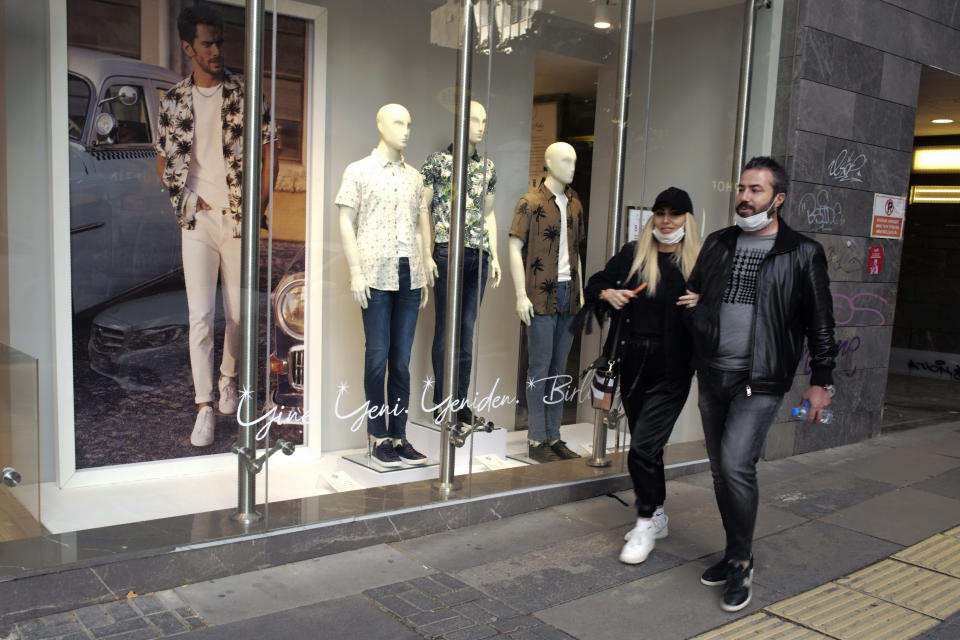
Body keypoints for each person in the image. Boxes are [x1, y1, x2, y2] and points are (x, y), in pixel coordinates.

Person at [680, 156, 837, 612]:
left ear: (778, 198)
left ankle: (743, 562)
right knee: (720, 471)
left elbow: (820, 323)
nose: (744, 198)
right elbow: (695, 293)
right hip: (712, 374)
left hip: (760, 380)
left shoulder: (801, 252)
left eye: (756, 190)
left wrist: (821, 380)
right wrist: (697, 310)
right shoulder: (717, 243)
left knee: (734, 466)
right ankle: (733, 553)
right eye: (742, 188)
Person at [155, 3, 275, 448]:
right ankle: (203, 405)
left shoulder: (246, 95)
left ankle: (229, 376)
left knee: (240, 314)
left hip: (239, 218)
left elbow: (269, 152)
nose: (217, 50)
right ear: (188, 47)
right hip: (198, 220)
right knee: (200, 318)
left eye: (220, 41)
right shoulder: (172, 101)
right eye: (207, 43)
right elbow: (163, 161)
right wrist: (186, 200)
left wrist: (257, 204)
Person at [580, 187, 700, 565]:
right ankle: (658, 512)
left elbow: (727, 303)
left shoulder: (700, 262)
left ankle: (645, 521)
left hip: (674, 369)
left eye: (675, 214)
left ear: (687, 220)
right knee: (650, 447)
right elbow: (595, 282)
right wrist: (608, 295)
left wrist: (704, 300)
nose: (666, 220)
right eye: (660, 212)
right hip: (633, 367)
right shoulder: (634, 254)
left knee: (644, 447)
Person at [336, 104, 430, 468]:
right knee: (377, 357)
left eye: (409, 123)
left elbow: (421, 225)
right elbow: (346, 221)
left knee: (401, 363)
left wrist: (422, 269)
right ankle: (377, 436)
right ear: (379, 124)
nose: (405, 130)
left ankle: (399, 434)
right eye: (398, 122)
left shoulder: (415, 177)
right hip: (375, 272)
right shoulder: (358, 171)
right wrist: (355, 271)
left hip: (409, 273)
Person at [421, 101, 500, 425]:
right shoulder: (437, 163)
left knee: (466, 330)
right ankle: (443, 403)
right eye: (475, 120)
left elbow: (489, 213)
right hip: (447, 251)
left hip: (478, 255)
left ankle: (460, 403)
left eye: (484, 120)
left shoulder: (488, 168)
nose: (481, 126)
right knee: (446, 329)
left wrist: (493, 255)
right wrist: (426, 252)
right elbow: (422, 210)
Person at [508, 142, 585, 463]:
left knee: (559, 368)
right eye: (566, 160)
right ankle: (537, 439)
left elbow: (576, 250)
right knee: (539, 368)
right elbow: (514, 246)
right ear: (549, 162)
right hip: (540, 293)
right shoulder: (530, 203)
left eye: (574, 160)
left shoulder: (576, 205)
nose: (572, 166)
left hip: (569, 294)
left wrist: (581, 289)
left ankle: (554, 435)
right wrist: (520, 294)